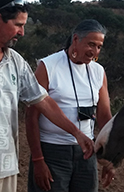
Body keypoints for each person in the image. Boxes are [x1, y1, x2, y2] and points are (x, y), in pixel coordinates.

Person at [0, 0, 95, 192]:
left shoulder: (15, 61)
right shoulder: (49, 65)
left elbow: (43, 102)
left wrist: (76, 133)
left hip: (5, 165)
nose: (22, 32)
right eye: (18, 25)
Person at [26, 19, 114, 192]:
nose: (94, 51)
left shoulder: (98, 71)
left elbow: (104, 116)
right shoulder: (48, 66)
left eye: (99, 47)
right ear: (75, 40)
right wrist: (38, 160)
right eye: (90, 44)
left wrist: (110, 156)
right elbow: (31, 117)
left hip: (87, 153)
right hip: (52, 151)